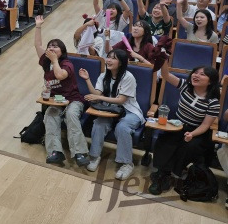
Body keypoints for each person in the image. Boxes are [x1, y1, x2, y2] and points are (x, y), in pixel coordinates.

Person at [149, 62, 220, 195]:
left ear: (210, 82)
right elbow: (165, 74)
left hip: (196, 130)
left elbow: (205, 125)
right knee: (165, 141)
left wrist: (192, 134)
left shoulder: (213, 102)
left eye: (202, 74)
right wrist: (164, 59)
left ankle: (171, 174)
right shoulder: (186, 86)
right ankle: (162, 173)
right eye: (195, 72)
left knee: (187, 146)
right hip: (178, 124)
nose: (196, 75)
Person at [80, 50, 144, 180]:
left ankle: (127, 164)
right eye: (108, 57)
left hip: (130, 111)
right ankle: (94, 156)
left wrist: (102, 98)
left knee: (122, 128)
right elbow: (96, 96)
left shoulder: (128, 77)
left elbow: (121, 100)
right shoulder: (104, 75)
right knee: (98, 124)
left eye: (113, 58)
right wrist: (87, 80)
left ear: (121, 63)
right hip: (110, 110)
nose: (108, 60)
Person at [34, 16, 89, 166]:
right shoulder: (46, 62)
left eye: (55, 46)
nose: (51, 48)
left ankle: (79, 153)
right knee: (49, 115)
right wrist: (38, 26)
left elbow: (60, 75)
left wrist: (54, 61)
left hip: (73, 100)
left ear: (62, 51)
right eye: (50, 46)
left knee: (71, 115)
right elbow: (37, 44)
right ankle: (55, 152)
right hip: (56, 100)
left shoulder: (67, 64)